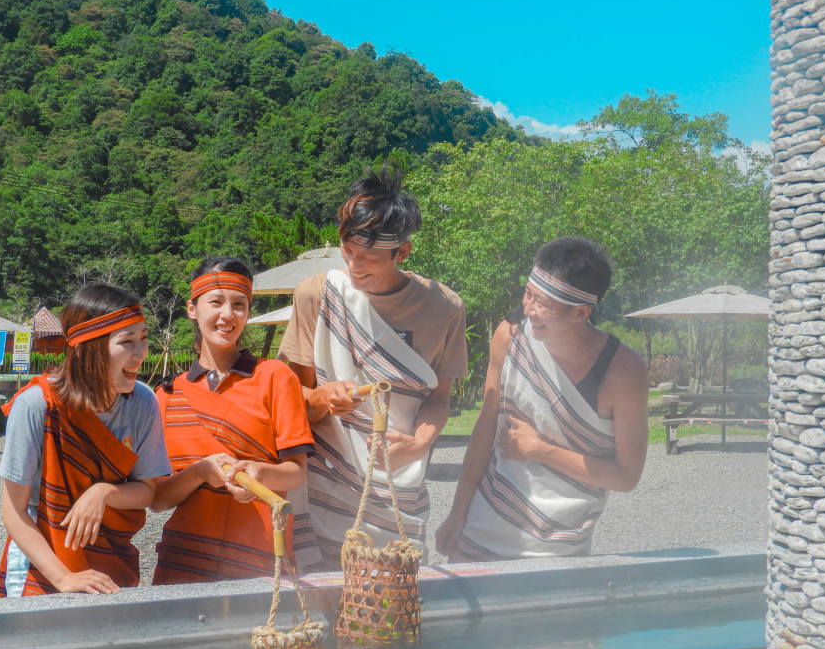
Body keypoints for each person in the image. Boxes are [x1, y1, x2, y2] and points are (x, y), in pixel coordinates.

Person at [278, 166, 468, 570]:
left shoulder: (445, 307)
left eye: (369, 257)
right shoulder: (317, 294)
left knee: (395, 591)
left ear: (403, 252)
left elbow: (439, 398)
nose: (355, 266)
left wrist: (419, 443)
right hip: (326, 481)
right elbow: (291, 398)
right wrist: (322, 396)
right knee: (323, 593)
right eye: (348, 252)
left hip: (401, 478)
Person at [436, 237, 648, 562]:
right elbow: (486, 427)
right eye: (528, 294)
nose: (528, 309)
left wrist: (538, 450)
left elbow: (626, 476)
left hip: (560, 546)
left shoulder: (623, 371)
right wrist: (457, 513)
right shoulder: (510, 335)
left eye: (543, 303)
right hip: (484, 525)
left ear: (580, 312)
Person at [0, 284, 172, 597]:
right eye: (126, 342)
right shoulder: (36, 405)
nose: (141, 353)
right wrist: (63, 577)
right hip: (42, 561)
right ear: (89, 348)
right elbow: (14, 512)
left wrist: (103, 493)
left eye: (143, 338)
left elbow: (146, 491)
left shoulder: (143, 401)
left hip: (111, 557)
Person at [150, 257, 314, 584]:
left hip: (262, 558)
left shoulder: (275, 376)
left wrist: (259, 471)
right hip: (184, 560)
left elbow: (296, 472)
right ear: (192, 309)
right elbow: (157, 498)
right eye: (216, 302)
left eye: (239, 304)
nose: (228, 314)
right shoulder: (167, 395)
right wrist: (199, 472)